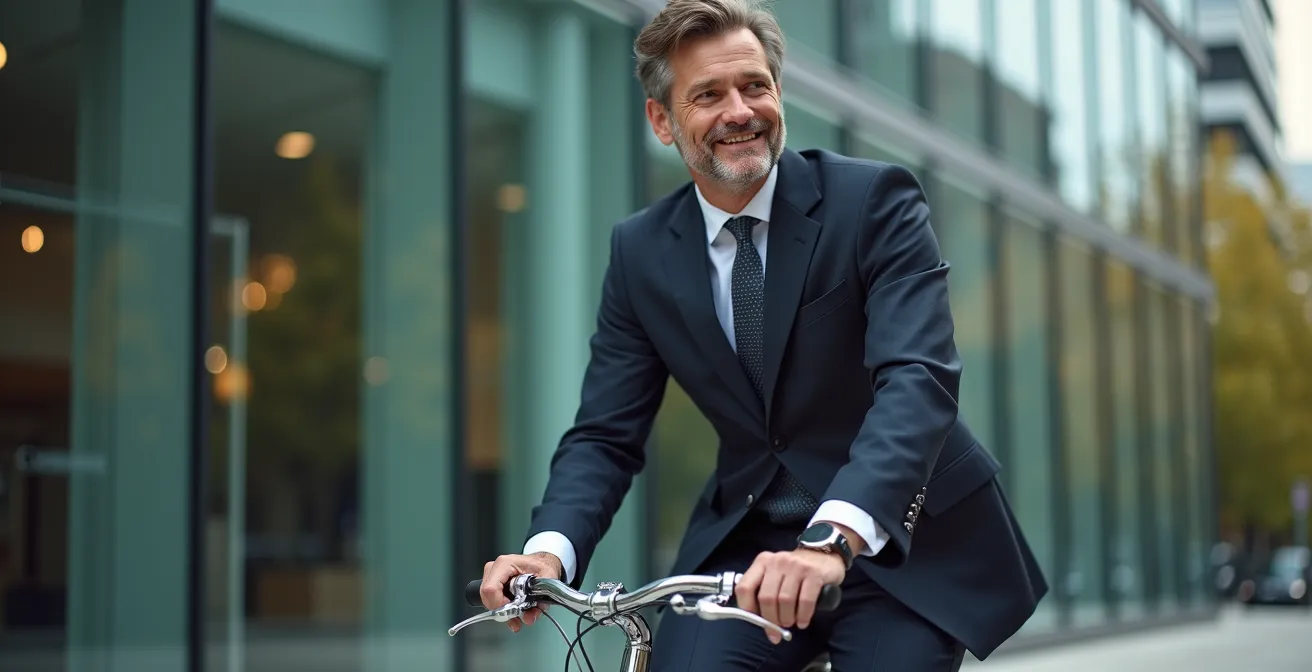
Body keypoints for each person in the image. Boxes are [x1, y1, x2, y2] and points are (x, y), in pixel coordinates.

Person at [478, 0, 1048, 669]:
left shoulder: (875, 202)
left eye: (755, 86)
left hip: (898, 537)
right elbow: (607, 432)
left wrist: (832, 540)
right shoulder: (641, 252)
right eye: (708, 95)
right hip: (747, 547)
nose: (739, 111)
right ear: (662, 120)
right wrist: (550, 550)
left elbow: (917, 382)